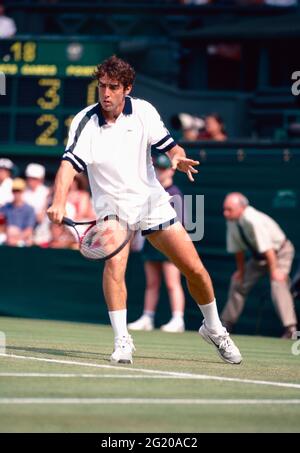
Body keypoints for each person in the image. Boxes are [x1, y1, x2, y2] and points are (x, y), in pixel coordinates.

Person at [47, 55, 242, 365]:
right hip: (112, 208)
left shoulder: (144, 112)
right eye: (102, 87)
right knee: (115, 265)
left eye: (113, 88)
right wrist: (58, 200)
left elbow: (171, 146)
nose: (106, 94)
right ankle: (122, 339)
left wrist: (178, 157)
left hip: (152, 202)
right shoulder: (85, 121)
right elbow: (68, 167)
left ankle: (214, 328)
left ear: (128, 88)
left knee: (195, 270)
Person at [221, 192, 298, 339]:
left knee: (278, 283)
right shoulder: (232, 220)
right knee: (238, 282)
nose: (226, 213)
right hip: (260, 257)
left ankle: (291, 329)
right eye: (225, 209)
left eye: (229, 209)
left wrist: (274, 270)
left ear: (241, 208)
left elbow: (268, 248)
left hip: (280, 252)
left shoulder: (252, 219)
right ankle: (226, 324)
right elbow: (238, 249)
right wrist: (241, 272)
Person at [128, 154, 186, 333]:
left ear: (171, 170)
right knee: (152, 283)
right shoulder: (149, 193)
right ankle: (148, 317)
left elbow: (181, 223)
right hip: (150, 242)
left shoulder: (175, 193)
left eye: (163, 168)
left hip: (170, 243)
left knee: (172, 283)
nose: (160, 172)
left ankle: (178, 319)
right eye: (157, 168)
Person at [0, 178, 36, 246]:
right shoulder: (5, 207)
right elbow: (1, 226)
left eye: (19, 191)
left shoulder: (29, 209)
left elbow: (29, 230)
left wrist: (16, 238)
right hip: (7, 237)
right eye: (14, 190)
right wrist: (9, 234)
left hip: (22, 239)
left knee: (28, 242)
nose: (16, 193)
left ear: (23, 191)